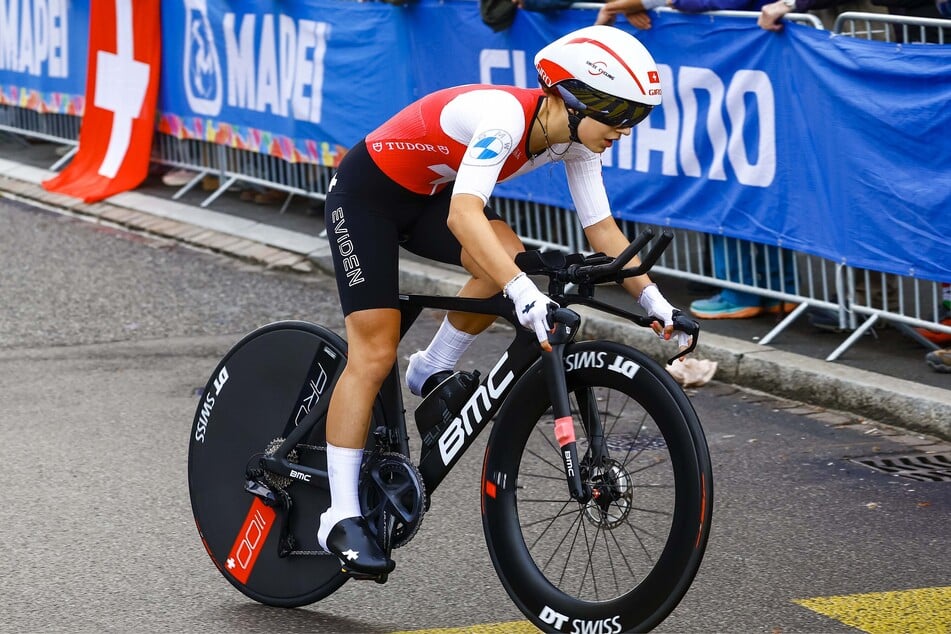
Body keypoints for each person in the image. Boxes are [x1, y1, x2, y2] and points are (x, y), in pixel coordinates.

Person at [319, 25, 689, 575]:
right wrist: (523, 293)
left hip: (425, 196)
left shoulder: (573, 139)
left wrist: (656, 301)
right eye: (620, 115)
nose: (625, 131)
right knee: (374, 351)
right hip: (366, 196)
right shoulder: (505, 118)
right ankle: (340, 515)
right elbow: (464, 216)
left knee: (508, 254)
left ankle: (432, 367)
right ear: (580, 98)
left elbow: (603, 229)